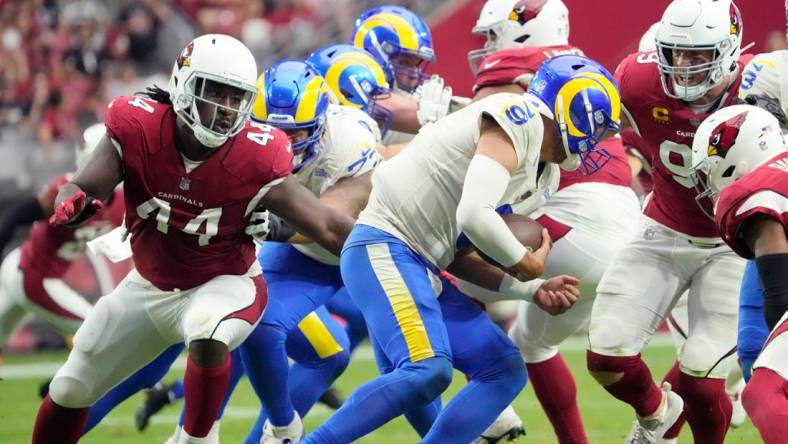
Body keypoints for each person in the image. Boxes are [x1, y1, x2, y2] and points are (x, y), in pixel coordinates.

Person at [31, 34, 354, 444]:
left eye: (236, 98)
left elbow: (325, 225)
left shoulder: (259, 152)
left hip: (225, 283)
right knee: (70, 388)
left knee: (208, 331)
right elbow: (83, 184)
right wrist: (73, 199)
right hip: (148, 285)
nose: (225, 110)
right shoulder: (138, 124)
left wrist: (396, 251)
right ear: (184, 86)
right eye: (214, 93)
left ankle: (197, 438)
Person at [302, 54, 620, 444]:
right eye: (598, 127)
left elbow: (459, 253)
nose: (596, 142)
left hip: (424, 262)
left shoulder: (546, 175)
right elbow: (473, 215)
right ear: (574, 108)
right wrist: (523, 262)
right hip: (384, 243)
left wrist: (531, 290)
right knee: (427, 369)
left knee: (503, 368)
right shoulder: (517, 116)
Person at [462, 2, 640, 443]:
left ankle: (485, 392)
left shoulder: (516, 63)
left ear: (521, 32)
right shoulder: (587, 69)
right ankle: (645, 417)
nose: (487, 47)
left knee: (436, 260)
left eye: (492, 35)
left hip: (567, 222)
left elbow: (473, 130)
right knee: (534, 342)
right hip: (626, 228)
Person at [585, 1, 749, 443]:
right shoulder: (638, 80)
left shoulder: (763, 85)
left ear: (730, 49)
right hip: (664, 228)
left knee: (702, 377)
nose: (685, 66)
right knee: (606, 358)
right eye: (676, 53)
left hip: (737, 242)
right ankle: (659, 417)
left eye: (699, 56)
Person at [687, 103, 788, 444]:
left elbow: (779, 290)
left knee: (762, 392)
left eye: (710, 167)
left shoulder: (754, 194)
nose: (709, 179)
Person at [0, 124, 124, 352]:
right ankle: (59, 387)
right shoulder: (66, 191)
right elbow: (14, 217)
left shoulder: (122, 201)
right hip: (34, 276)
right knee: (98, 330)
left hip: (28, 268)